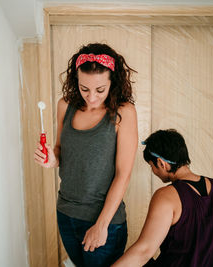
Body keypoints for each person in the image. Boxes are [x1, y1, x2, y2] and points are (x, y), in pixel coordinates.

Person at [34, 43, 138, 267]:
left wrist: (101, 225)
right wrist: (53, 159)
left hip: (104, 221)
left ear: (113, 82)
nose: (91, 97)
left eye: (100, 90)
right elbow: (61, 149)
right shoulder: (65, 106)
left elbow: (123, 174)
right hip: (66, 213)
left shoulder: (123, 113)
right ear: (76, 82)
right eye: (84, 88)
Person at [112, 129, 213, 267]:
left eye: (151, 166)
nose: (153, 171)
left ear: (161, 163)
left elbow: (144, 251)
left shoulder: (166, 196)